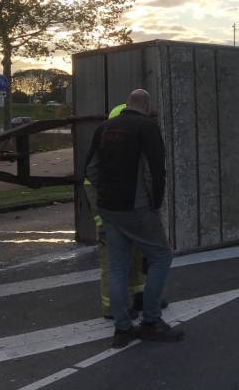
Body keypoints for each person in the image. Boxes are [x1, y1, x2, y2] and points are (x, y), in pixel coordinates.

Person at [85, 89, 183, 348]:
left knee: (117, 268)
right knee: (162, 256)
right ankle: (151, 321)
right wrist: (154, 204)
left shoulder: (104, 128)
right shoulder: (147, 128)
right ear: (147, 106)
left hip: (109, 208)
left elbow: (90, 169)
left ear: (127, 103)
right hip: (138, 209)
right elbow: (155, 170)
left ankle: (122, 329)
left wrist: (106, 195)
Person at [85, 103, 146, 321]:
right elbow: (94, 190)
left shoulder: (117, 149)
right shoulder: (105, 156)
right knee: (113, 262)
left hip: (125, 217)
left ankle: (140, 295)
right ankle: (111, 307)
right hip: (111, 222)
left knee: (136, 255)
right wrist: (104, 226)